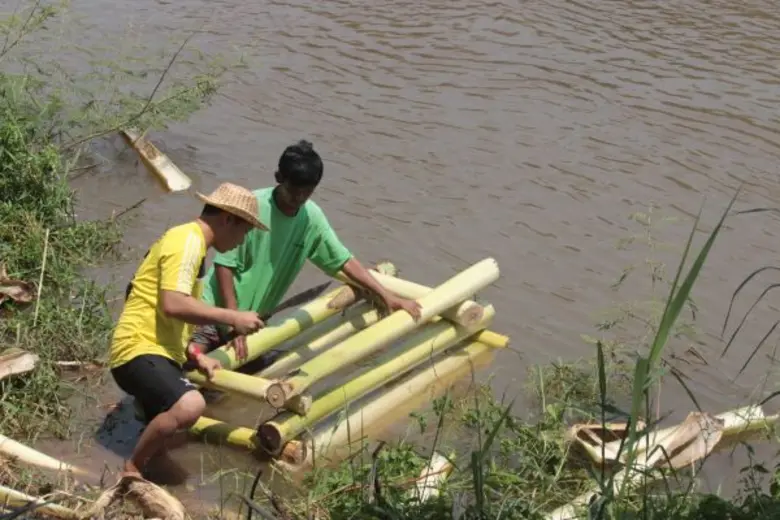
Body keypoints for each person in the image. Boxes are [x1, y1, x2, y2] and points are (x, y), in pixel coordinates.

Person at [189, 139, 422, 361]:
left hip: (253, 322)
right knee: (189, 362)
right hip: (215, 312)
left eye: (307, 192)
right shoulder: (252, 208)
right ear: (279, 178)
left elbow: (343, 261)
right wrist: (233, 320)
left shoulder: (311, 219)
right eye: (294, 190)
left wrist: (387, 297)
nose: (298, 198)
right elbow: (224, 265)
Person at [109, 182, 268, 477]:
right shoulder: (188, 242)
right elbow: (172, 304)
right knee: (191, 404)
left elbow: (163, 312)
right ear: (227, 220)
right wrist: (233, 317)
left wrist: (194, 354)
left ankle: (153, 466)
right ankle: (131, 469)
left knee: (178, 448)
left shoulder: (192, 245)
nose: (242, 241)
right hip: (137, 350)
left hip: (155, 350)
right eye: (244, 232)